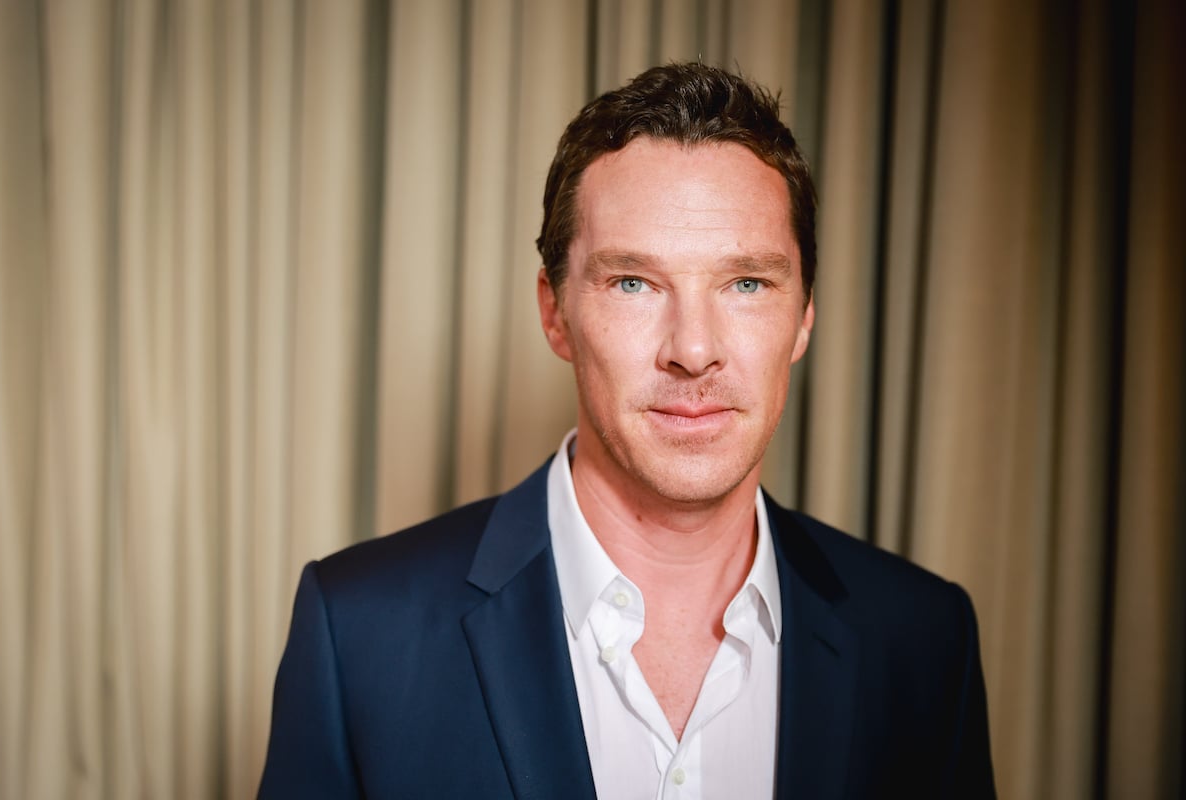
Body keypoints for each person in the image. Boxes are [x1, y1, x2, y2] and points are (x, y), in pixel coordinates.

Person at [258, 62, 995, 799]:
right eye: (633, 283)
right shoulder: (360, 634)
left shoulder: (927, 640)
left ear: (804, 315)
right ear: (555, 313)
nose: (693, 349)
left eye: (746, 283)